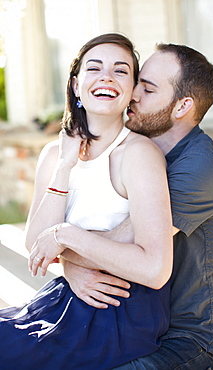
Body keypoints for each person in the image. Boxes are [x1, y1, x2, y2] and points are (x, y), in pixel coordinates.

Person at [0, 34, 173, 369]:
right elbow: (36, 244)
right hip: (70, 296)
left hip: (119, 310)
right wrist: (65, 166)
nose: (107, 76)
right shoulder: (54, 154)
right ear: (77, 86)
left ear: (133, 90)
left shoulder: (139, 155)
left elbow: (155, 269)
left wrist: (67, 237)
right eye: (95, 68)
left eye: (120, 71)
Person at [60, 44, 213, 369]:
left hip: (186, 340)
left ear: (183, 105)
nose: (133, 93)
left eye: (148, 88)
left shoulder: (199, 168)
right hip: (132, 322)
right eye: (137, 81)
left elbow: (116, 245)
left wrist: (58, 243)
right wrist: (69, 263)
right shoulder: (139, 152)